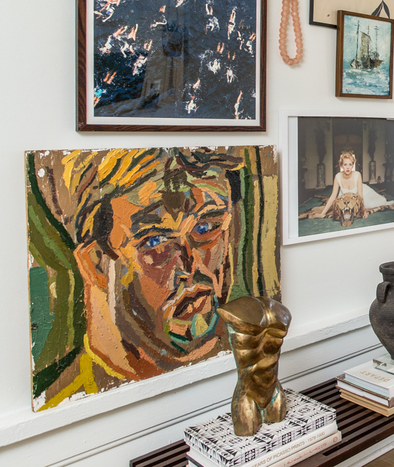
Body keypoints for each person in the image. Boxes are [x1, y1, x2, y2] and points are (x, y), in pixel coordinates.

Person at [37, 147, 253, 410]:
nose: (191, 265)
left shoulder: (248, 361)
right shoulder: (67, 409)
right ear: (95, 263)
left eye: (206, 228)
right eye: (155, 240)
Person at [319, 149, 364, 218]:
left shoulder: (358, 175)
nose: (348, 167)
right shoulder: (337, 177)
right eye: (345, 164)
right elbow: (333, 196)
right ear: (341, 165)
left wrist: (363, 211)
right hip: (344, 200)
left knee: (376, 202)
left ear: (353, 165)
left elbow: (360, 196)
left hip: (356, 198)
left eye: (350, 164)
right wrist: (322, 213)